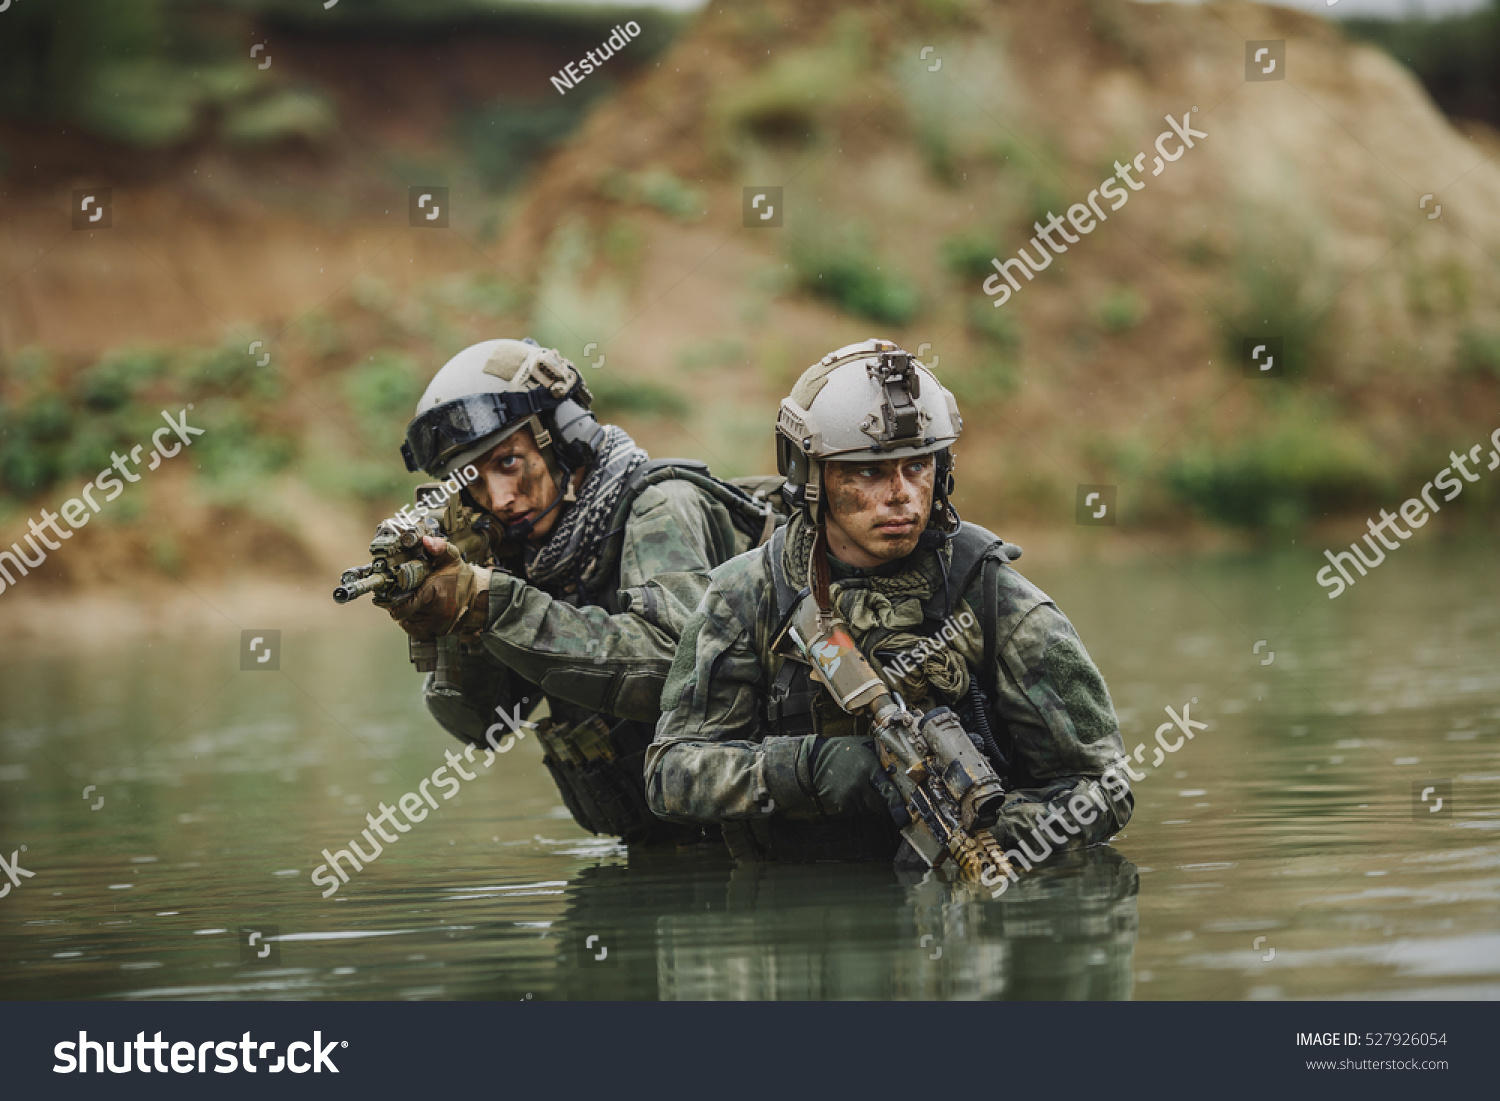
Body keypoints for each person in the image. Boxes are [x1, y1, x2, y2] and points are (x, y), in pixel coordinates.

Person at [645, 338, 1132, 866]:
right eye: (870, 472)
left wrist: (994, 832)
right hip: (792, 915)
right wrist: (813, 771)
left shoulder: (996, 599)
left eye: (918, 466)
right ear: (813, 480)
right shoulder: (748, 595)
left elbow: (1105, 789)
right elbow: (670, 775)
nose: (902, 493)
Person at [386, 337, 774, 845]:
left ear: (563, 436)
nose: (499, 498)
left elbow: (677, 677)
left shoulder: (661, 506)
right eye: (474, 481)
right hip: (663, 857)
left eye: (509, 462)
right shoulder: (524, 557)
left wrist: (493, 602)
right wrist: (461, 618)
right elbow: (481, 727)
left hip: (754, 847)